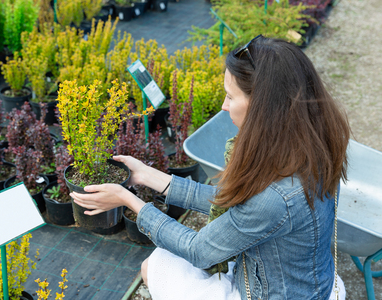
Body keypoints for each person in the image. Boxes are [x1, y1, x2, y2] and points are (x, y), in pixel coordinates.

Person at [70, 35, 350, 300]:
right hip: (305, 284)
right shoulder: (308, 146)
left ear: (263, 106)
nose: (223, 106)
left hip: (272, 293)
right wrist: (146, 175)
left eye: (230, 96)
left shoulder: (276, 196)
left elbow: (200, 251)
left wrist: (128, 200)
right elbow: (232, 204)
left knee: (153, 266)